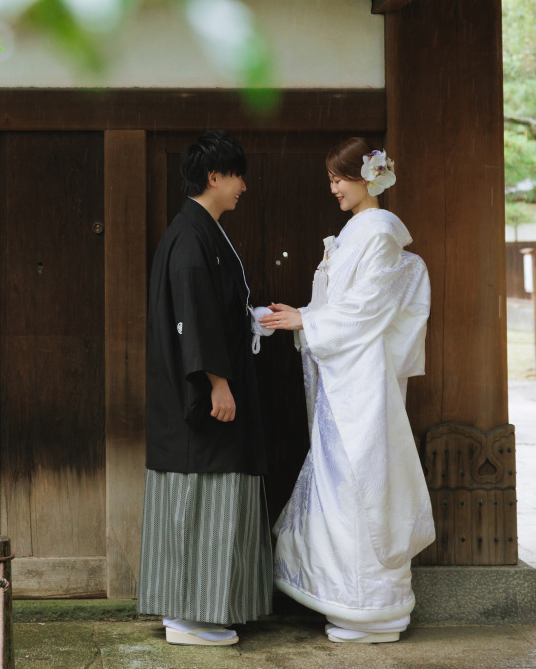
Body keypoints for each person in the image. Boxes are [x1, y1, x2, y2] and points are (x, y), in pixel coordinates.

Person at [259, 136, 435, 644]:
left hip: (362, 384)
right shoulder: (357, 233)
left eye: (339, 178)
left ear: (367, 178)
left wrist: (307, 321)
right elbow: (349, 307)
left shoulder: (377, 234)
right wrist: (306, 319)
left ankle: (374, 609)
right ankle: (353, 603)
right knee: (345, 488)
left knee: (363, 488)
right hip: (346, 380)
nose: (333, 188)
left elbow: (367, 310)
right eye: (331, 180)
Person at [137, 130, 273, 647]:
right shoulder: (191, 238)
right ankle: (190, 615)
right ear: (214, 177)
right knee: (200, 501)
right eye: (237, 176)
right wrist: (217, 382)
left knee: (201, 502)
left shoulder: (199, 232)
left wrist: (253, 318)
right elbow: (193, 317)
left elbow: (215, 311)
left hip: (204, 394)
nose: (243, 187)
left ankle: (195, 610)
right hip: (202, 399)